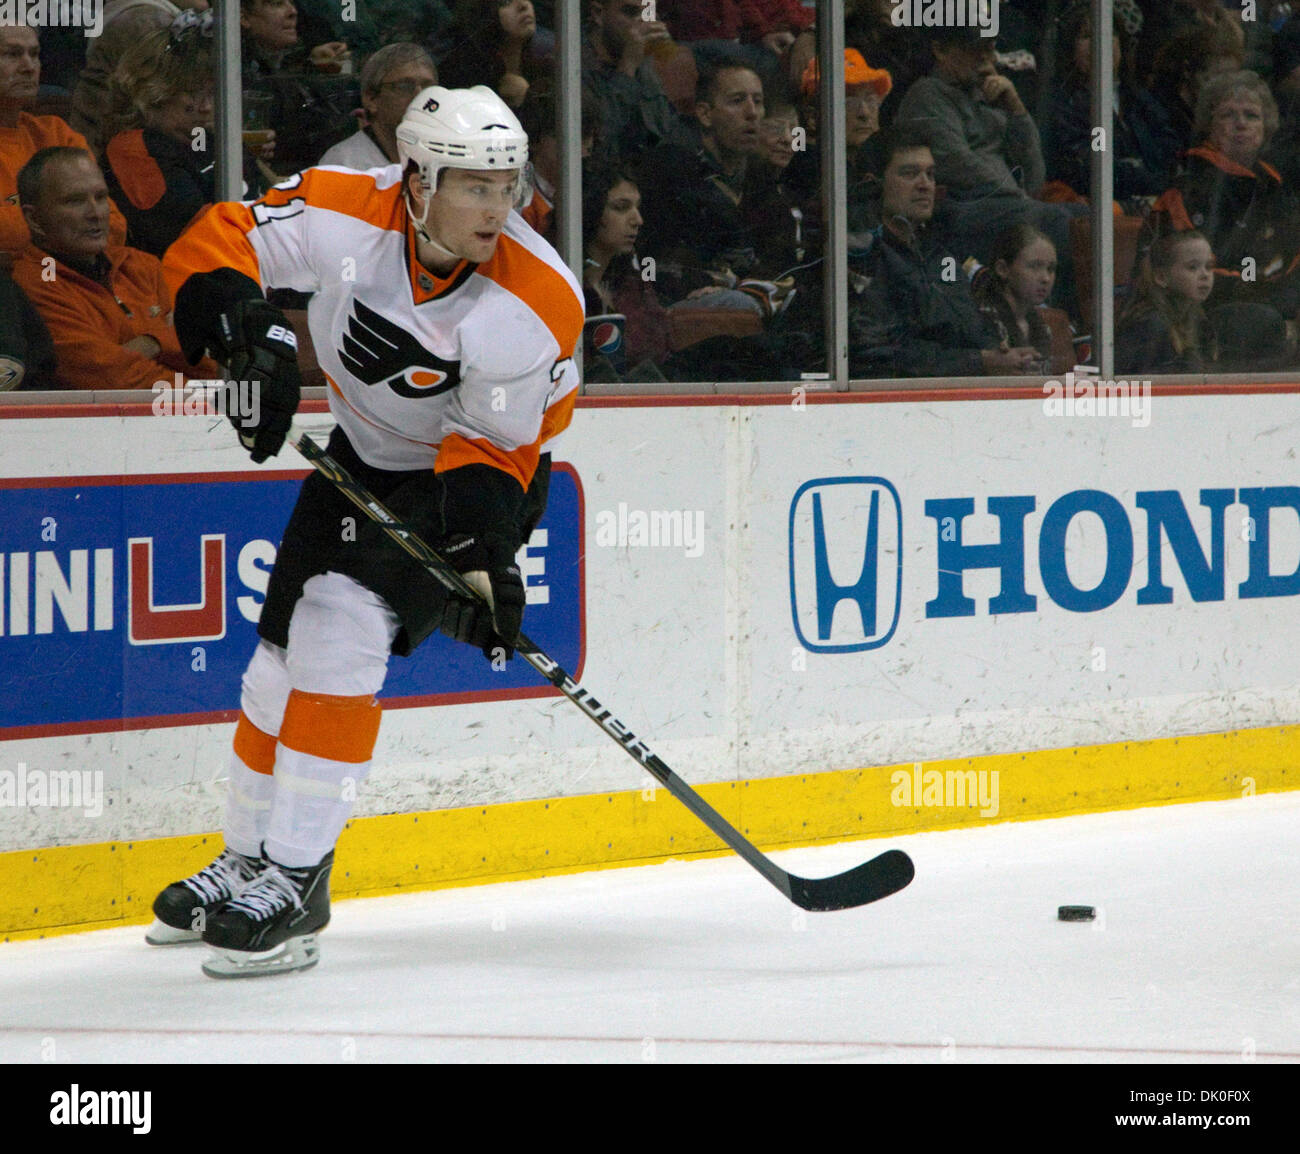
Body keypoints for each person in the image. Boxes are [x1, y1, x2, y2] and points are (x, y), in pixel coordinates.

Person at [149, 86, 583, 978]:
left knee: (337, 632)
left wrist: (480, 557)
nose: (498, 209)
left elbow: (495, 453)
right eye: (474, 187)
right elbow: (214, 240)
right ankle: (247, 858)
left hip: (463, 483)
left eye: (508, 187)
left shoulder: (535, 300)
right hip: (360, 455)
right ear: (416, 180)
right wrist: (249, 337)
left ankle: (299, 880)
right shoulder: (347, 207)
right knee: (273, 665)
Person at [891, 26, 1086, 307]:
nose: (986, 58)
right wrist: (1017, 196)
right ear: (941, 50)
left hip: (1005, 205)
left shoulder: (989, 97)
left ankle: (1084, 323)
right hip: (960, 209)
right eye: (975, 49)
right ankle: (1063, 318)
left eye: (989, 48)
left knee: (1087, 216)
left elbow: (1033, 176)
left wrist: (1016, 110)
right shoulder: (927, 95)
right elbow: (957, 165)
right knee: (1056, 222)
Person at [12, 146, 222, 390]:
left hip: (188, 413)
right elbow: (109, 379)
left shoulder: (142, 266)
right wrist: (163, 340)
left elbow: (211, 359)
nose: (96, 213)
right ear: (35, 219)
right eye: (75, 201)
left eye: (101, 197)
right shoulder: (32, 284)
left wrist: (149, 343)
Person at [848, 128, 1040, 379]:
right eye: (909, 173)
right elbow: (876, 352)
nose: (924, 185)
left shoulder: (942, 255)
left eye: (930, 174)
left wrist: (1000, 352)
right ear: (874, 184)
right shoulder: (859, 256)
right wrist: (980, 362)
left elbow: (971, 321)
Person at [1149, 70, 1300, 325]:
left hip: (1274, 305)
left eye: (1251, 116)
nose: (1240, 124)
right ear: (1209, 125)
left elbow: (1290, 256)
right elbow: (1190, 276)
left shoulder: (1273, 185)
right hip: (1204, 313)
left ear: (1266, 126)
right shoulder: (1190, 185)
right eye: (1228, 115)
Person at [1, 22, 128, 259]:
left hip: (75, 283)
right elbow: (6, 236)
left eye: (35, 54)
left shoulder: (55, 134)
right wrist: (71, 232)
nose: (29, 67)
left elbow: (114, 226)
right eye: (12, 54)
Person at [69, 0, 212, 156]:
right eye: (192, 90)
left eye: (211, 93)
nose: (207, 107)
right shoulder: (145, 22)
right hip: (112, 154)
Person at [581, 160, 672, 377]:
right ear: (589, 210)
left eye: (637, 208)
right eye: (621, 208)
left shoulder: (632, 282)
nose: (637, 220)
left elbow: (657, 348)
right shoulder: (558, 281)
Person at [582, 0, 693, 163]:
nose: (643, 24)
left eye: (648, 13)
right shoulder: (572, 65)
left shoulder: (646, 63)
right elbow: (598, 143)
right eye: (631, 13)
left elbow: (666, 131)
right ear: (598, 14)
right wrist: (628, 68)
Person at [318, 43, 438, 169]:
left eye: (428, 88)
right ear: (371, 99)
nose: (420, 97)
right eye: (404, 87)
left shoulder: (447, 155)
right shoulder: (342, 164)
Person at [1116, 229, 1218, 373]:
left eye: (1209, 267)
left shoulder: (1198, 319)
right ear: (1161, 277)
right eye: (1192, 267)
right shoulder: (1149, 325)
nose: (1205, 275)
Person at [971, 223, 1061, 375]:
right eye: (1034, 266)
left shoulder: (1041, 326)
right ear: (1003, 269)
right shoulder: (980, 321)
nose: (1045, 278)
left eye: (1050, 269)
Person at [437, 0, 546, 110]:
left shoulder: (547, 68)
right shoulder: (460, 75)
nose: (524, 5)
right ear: (484, 14)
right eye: (506, 2)